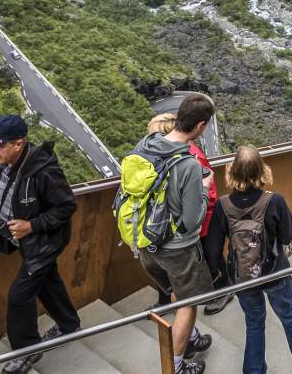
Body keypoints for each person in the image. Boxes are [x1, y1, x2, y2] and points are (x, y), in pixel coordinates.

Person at [0, 116, 79, 374]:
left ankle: (26, 351)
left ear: (18, 144)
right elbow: (0, 198)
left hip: (44, 243)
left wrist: (31, 226)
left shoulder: (44, 171)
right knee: (47, 281)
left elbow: (67, 206)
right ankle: (69, 324)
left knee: (19, 298)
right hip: (23, 240)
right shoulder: (0, 164)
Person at [126, 97, 217, 374]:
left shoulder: (147, 146)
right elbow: (191, 222)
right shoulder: (188, 164)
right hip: (177, 249)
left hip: (145, 243)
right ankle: (175, 365)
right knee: (188, 304)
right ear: (200, 125)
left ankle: (189, 337)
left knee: (176, 292)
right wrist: (203, 187)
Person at [209, 145, 292, 374]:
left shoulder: (222, 205)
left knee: (254, 324)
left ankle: (254, 371)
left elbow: (214, 248)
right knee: (288, 315)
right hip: (274, 272)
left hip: (242, 277)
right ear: (262, 171)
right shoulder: (275, 201)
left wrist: (220, 276)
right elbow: (287, 235)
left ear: (232, 172)